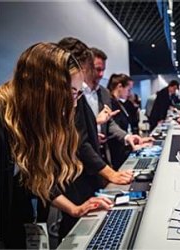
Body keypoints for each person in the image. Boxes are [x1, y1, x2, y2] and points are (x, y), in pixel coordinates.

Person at [0, 43, 112, 248]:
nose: (74, 104)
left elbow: (36, 177)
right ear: (44, 88)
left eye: (77, 95)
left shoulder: (30, 121)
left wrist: (74, 209)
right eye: (71, 93)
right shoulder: (1, 120)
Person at [57, 38, 136, 239]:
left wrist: (74, 209)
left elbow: (37, 175)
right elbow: (79, 141)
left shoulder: (98, 93)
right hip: (76, 174)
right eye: (93, 68)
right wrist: (110, 173)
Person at [107, 73, 134, 168]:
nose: (129, 93)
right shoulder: (111, 103)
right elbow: (113, 129)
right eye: (128, 89)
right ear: (119, 86)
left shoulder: (119, 103)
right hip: (117, 153)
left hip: (122, 149)